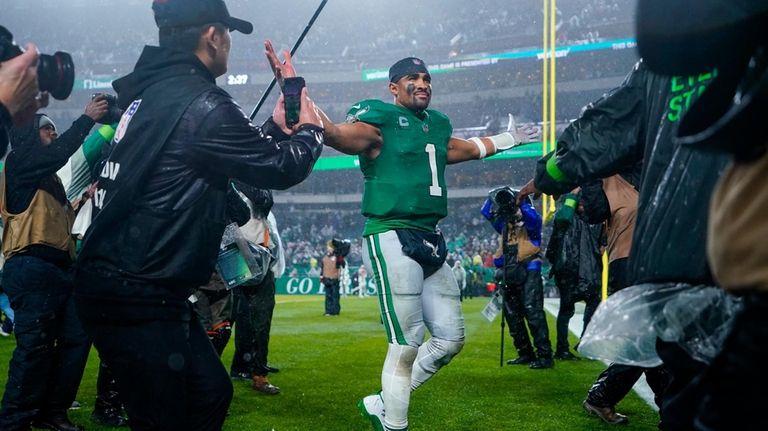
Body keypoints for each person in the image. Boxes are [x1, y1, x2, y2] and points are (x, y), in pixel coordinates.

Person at [71, 0, 325, 429]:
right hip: (138, 289)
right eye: (228, 34)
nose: (229, 44)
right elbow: (283, 166)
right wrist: (312, 127)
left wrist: (275, 124)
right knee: (170, 415)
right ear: (212, 35)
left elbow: (208, 153)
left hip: (130, 283)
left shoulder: (157, 93)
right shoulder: (202, 102)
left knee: (210, 391)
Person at [287, 53, 537, 430]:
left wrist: (507, 139)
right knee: (407, 344)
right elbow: (339, 134)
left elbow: (463, 148)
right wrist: (298, 95)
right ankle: (394, 424)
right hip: (390, 231)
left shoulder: (435, 125)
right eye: (413, 78)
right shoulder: (378, 120)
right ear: (393, 87)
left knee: (450, 340)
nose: (423, 83)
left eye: (426, 78)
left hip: (431, 238)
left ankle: (382, 403)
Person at [518, 60, 730, 428]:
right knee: (662, 342)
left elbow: (601, 132)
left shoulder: (663, 69)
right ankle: (625, 399)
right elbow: (590, 208)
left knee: (662, 343)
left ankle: (624, 399)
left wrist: (552, 176)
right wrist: (568, 186)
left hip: (664, 253)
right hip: (663, 252)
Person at [0, 100, 108, 431]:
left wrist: (79, 203)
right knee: (36, 347)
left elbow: (55, 222)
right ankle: (14, 420)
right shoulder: (19, 162)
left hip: (60, 268)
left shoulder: (48, 179)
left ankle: (52, 411)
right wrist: (85, 121)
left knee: (75, 340)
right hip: (32, 265)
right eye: (48, 129)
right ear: (31, 135)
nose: (55, 133)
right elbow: (58, 152)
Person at [578, 175, 669, 425]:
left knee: (651, 340)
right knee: (648, 339)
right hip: (628, 264)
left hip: (654, 262)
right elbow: (592, 213)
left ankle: (667, 407)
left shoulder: (648, 173)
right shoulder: (605, 176)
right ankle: (603, 397)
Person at [483, 193, 554, 369]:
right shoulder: (504, 225)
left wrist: (519, 200)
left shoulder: (532, 224)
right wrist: (493, 197)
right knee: (512, 314)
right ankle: (525, 353)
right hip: (509, 270)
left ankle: (545, 356)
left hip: (529, 268)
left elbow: (531, 216)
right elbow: (485, 211)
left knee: (532, 310)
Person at [230, 184, 284, 395]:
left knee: (261, 320)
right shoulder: (225, 182)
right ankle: (234, 369)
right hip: (233, 256)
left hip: (261, 256)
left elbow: (265, 200)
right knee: (228, 321)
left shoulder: (257, 186)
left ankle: (258, 373)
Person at [545, 190, 603, 361]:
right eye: (581, 202)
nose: (584, 206)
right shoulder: (564, 214)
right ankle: (562, 349)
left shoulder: (586, 220)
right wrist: (573, 194)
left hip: (584, 271)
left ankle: (583, 341)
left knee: (593, 302)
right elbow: (563, 218)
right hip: (569, 271)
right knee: (566, 309)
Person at [321, 240, 342, 316]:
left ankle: (335, 311)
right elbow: (322, 268)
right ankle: (328, 311)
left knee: (335, 296)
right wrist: (322, 277)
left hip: (334, 278)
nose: (328, 248)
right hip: (326, 278)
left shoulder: (338, 257)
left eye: (329, 246)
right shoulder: (324, 258)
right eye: (328, 247)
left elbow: (340, 264)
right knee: (328, 296)